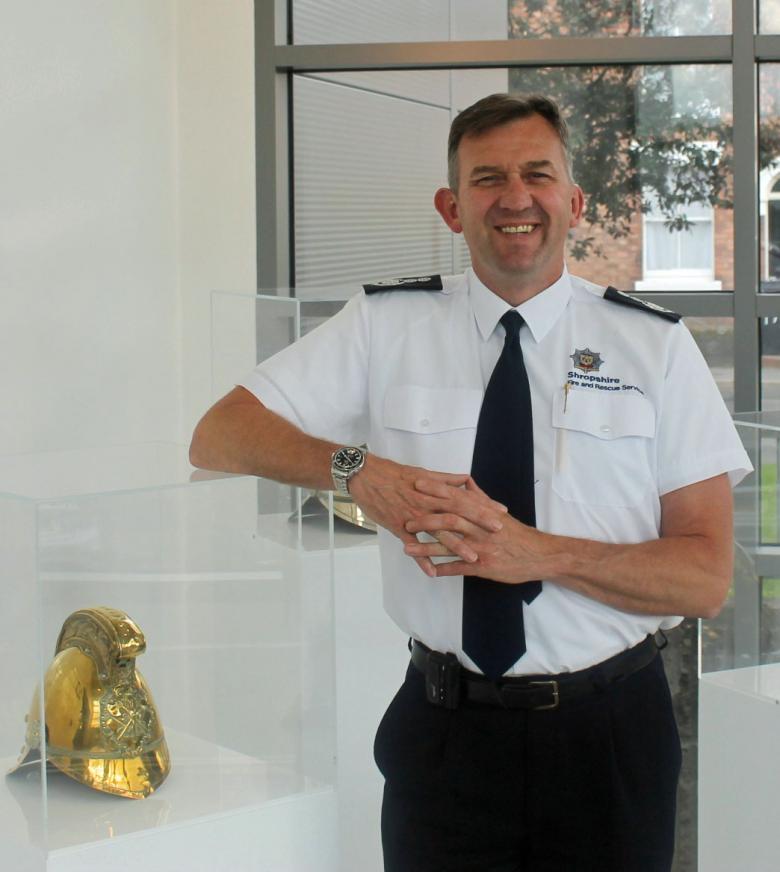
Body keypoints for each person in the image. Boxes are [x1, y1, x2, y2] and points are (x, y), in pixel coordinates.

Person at [190, 93, 751, 871]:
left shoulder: (653, 347)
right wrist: (359, 471)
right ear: (452, 209)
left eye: (537, 175)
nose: (515, 198)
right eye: (488, 179)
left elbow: (705, 578)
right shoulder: (386, 326)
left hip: (608, 735)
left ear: (574, 201)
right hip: (445, 732)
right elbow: (219, 433)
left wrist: (537, 554)